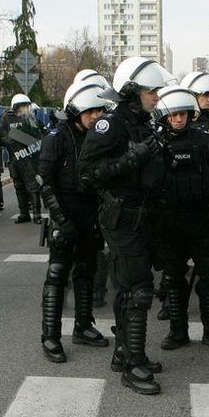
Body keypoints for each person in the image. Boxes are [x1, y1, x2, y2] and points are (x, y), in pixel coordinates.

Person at [79, 56, 173, 395]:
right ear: (132, 91)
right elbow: (87, 172)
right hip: (122, 218)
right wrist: (132, 158)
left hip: (145, 217)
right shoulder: (111, 125)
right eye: (151, 91)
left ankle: (125, 352)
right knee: (139, 290)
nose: (157, 96)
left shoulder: (144, 122)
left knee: (128, 288)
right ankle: (133, 364)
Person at [153, 85, 209, 351]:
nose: (179, 119)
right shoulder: (156, 145)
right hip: (170, 225)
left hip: (203, 221)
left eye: (183, 114)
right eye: (174, 114)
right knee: (174, 281)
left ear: (191, 114)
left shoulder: (205, 141)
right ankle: (178, 331)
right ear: (165, 116)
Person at [38, 80, 111, 363]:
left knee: (87, 272)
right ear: (76, 110)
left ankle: (83, 325)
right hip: (63, 215)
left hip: (90, 215)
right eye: (90, 111)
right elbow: (44, 183)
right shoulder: (56, 137)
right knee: (57, 275)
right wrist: (60, 219)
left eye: (99, 110)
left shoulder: (100, 137)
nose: (96, 116)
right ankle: (50, 336)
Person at [0, 94, 44, 223]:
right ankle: (24, 213)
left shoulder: (30, 118)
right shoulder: (6, 119)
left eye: (27, 106)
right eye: (23, 106)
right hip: (14, 158)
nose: (26, 108)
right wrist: (10, 139)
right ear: (16, 107)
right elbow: (0, 137)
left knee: (33, 185)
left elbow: (38, 135)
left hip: (29, 156)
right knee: (19, 186)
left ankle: (37, 214)